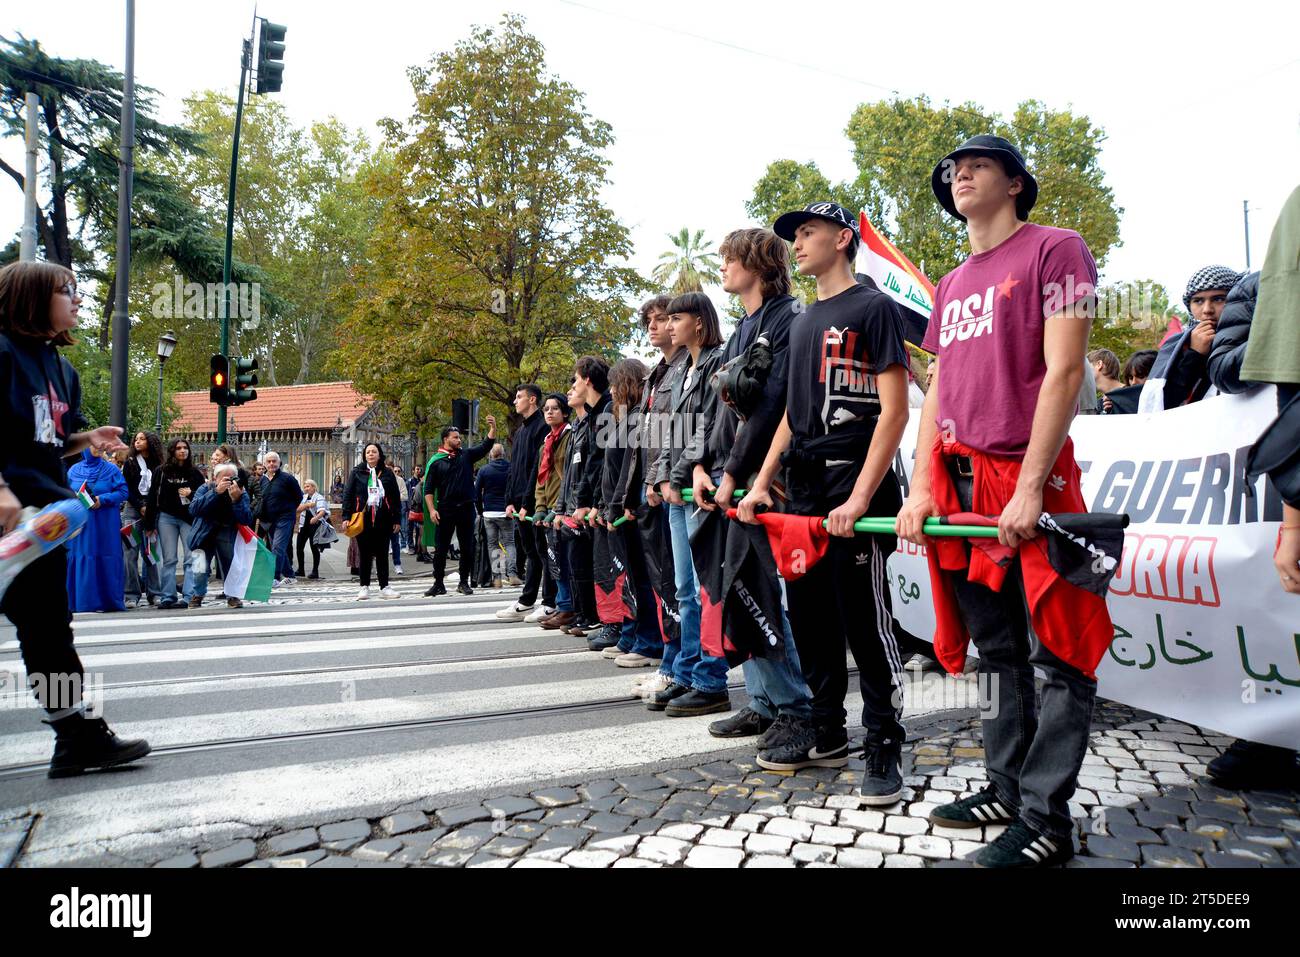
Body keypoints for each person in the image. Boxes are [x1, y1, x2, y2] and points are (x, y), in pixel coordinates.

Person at [898, 135, 1111, 867]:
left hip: (1032, 481)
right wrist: (922, 482)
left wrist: (1028, 486)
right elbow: (939, 394)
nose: (960, 174)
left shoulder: (1060, 249)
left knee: (1060, 649)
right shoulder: (952, 283)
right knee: (994, 650)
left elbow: (1066, 368)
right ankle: (1003, 782)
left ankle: (1046, 817)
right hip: (958, 486)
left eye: (978, 164)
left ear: (1016, 182)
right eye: (953, 169)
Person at [738, 201, 908, 802]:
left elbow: (895, 410)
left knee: (865, 620)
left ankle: (884, 741)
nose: (797, 243)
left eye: (807, 232)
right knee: (809, 618)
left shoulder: (874, 307)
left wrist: (862, 496)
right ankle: (829, 730)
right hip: (804, 488)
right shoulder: (806, 321)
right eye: (794, 236)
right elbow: (789, 413)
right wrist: (761, 481)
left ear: (842, 238)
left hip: (854, 482)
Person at [0, 260, 149, 776]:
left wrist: (87, 440)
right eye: (68, 291)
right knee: (44, 630)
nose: (79, 301)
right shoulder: (2, 354)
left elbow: (47, 444)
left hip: (40, 527)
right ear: (32, 298)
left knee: (48, 631)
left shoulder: (63, 371)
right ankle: (77, 734)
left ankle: (74, 735)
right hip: (5, 518)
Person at [688, 227, 815, 746]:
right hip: (733, 479)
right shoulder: (743, 328)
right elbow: (724, 408)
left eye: (728, 258)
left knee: (765, 594)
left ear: (757, 262)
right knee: (738, 590)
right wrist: (702, 466)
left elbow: (774, 406)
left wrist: (738, 476)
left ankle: (795, 707)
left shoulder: (790, 319)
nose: (722, 267)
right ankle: (762, 702)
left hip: (773, 481)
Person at [1206, 184, 1300, 791]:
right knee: (1274, 601)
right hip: (1276, 474)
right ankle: (1268, 733)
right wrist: (1269, 349)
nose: (1211, 306)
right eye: (1202, 301)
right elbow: (1227, 365)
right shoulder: (1263, 283)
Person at [653, 291, 729, 717]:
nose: (669, 325)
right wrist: (663, 476)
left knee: (705, 589)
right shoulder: (681, 366)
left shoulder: (718, 361)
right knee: (683, 590)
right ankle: (687, 669)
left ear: (699, 322)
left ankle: (711, 678)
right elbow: (668, 432)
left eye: (675, 318)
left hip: (701, 486)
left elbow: (710, 428)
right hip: (678, 491)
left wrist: (677, 474)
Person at [619, 296, 686, 698]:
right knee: (665, 580)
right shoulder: (656, 376)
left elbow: (676, 435)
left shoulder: (685, 370)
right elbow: (644, 442)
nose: (654, 327)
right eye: (650, 321)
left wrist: (659, 479)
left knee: (678, 584)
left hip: (670, 489)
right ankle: (671, 659)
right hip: (653, 489)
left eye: (662, 319)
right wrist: (638, 487)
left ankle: (677, 662)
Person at [595, 357, 663, 668]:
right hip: (620, 506)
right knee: (632, 578)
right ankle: (634, 634)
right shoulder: (622, 418)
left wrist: (617, 505)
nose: (610, 391)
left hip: (631, 508)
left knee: (642, 577)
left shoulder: (637, 418)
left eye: (614, 384)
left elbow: (628, 468)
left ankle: (649, 640)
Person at [1138, 265, 1243, 412]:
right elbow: (1160, 405)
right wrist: (1193, 355)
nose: (1207, 309)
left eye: (1218, 299)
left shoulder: (1253, 338)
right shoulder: (1176, 346)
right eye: (1198, 301)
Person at [423, 418, 497, 596]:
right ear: (445, 439)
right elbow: (428, 489)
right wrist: (432, 509)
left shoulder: (466, 455)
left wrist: (493, 428)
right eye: (455, 437)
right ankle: (438, 582)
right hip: (445, 509)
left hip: (466, 507)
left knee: (467, 547)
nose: (459, 440)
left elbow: (485, 446)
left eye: (459, 437)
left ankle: (464, 581)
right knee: (441, 548)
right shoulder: (436, 462)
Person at [497, 385, 548, 619]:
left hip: (533, 502)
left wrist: (527, 502)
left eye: (519, 397)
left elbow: (536, 470)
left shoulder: (541, 427)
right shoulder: (519, 431)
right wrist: (509, 500)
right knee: (529, 550)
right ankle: (528, 599)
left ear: (532, 399)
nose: (515, 401)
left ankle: (545, 600)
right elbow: (513, 469)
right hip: (518, 502)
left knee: (541, 551)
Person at [65, 448, 128, 613]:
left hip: (105, 522)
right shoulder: (73, 470)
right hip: (81, 523)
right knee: (82, 555)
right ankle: (83, 601)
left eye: (102, 445)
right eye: (94, 444)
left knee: (106, 555)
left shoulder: (111, 469)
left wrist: (103, 499)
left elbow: (123, 492)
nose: (99, 448)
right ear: (85, 447)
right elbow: (64, 492)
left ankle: (108, 601)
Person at [145, 437, 204, 609]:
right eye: (178, 448)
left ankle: (188, 596)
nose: (182, 451)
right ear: (172, 451)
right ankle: (167, 596)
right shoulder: (161, 471)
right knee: (169, 559)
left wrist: (191, 493)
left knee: (189, 558)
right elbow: (152, 497)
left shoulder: (194, 472)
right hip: (166, 517)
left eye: (185, 448)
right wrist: (149, 524)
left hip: (188, 518)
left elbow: (202, 497)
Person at [187, 462, 252, 609]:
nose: (229, 481)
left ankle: (232, 596)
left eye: (232, 477)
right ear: (215, 478)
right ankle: (197, 594)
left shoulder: (241, 491)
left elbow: (246, 519)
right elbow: (193, 509)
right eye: (225, 478)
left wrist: (236, 500)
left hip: (226, 532)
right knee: (199, 568)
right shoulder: (205, 488)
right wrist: (215, 492)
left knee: (230, 566)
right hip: (203, 533)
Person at [529, 400, 572, 619]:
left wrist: (558, 508)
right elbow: (541, 480)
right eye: (546, 409)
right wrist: (540, 507)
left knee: (567, 562)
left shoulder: (570, 438)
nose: (549, 412)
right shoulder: (545, 443)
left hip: (565, 510)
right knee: (555, 563)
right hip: (548, 513)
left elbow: (571, 477)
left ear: (565, 413)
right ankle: (562, 605)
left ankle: (569, 608)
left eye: (554, 408)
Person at [342, 442, 402, 600]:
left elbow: (395, 498)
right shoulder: (357, 472)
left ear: (379, 454)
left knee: (382, 553)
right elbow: (348, 495)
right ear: (364, 455)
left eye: (374, 451)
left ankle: (384, 587)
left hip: (384, 519)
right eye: (368, 452)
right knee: (365, 554)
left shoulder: (388, 473)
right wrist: (346, 517)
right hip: (364, 518)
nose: (370, 454)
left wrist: (397, 519)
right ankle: (364, 586)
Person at [121, 430, 163, 607]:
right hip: (133, 510)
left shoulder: (159, 464)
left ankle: (155, 592)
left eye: (142, 439)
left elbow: (160, 488)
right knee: (129, 553)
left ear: (150, 442)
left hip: (153, 510)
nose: (137, 442)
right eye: (136, 439)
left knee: (151, 553)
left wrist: (151, 508)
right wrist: (141, 506)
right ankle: (131, 594)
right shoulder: (130, 463)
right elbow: (127, 489)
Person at [257, 451, 303, 586]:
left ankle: (274, 577)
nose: (271, 464)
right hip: (268, 520)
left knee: (277, 547)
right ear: (265, 464)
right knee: (279, 548)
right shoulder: (263, 481)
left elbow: (298, 497)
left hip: (285, 518)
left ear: (279, 463)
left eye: (274, 461)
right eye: (269, 461)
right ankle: (290, 575)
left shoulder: (288, 478)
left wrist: (289, 510)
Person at [476, 443, 514, 588]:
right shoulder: (510, 468)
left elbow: (477, 492)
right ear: (503, 454)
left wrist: (480, 510)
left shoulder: (484, 470)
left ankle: (496, 577)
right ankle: (512, 574)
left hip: (489, 512)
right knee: (509, 543)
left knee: (493, 545)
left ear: (491, 454)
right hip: (506, 511)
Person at [1101, 349, 1157, 414]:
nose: (1133, 382)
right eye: (1130, 378)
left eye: (1140, 376)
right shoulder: (1119, 400)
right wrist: (1112, 411)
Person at [295, 478, 329, 579]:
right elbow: (297, 509)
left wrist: (316, 518)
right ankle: (301, 570)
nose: (306, 488)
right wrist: (307, 505)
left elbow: (322, 511)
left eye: (308, 486)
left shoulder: (319, 497)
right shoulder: (304, 497)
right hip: (303, 526)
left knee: (314, 548)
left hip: (315, 526)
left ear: (314, 487)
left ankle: (315, 571)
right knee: (299, 547)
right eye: (305, 486)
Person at [390, 462, 407, 575]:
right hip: (381, 515)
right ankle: (380, 566)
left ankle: (397, 564)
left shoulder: (399, 480)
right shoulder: (379, 479)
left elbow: (405, 496)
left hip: (395, 513)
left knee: (395, 541)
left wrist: (393, 497)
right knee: (381, 543)